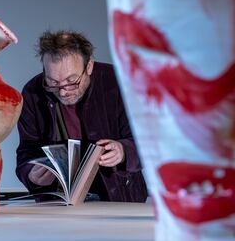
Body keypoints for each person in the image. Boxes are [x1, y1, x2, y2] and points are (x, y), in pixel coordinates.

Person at [16, 30, 148, 202]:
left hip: (119, 198)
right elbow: (26, 151)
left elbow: (150, 142)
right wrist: (31, 175)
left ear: (89, 66)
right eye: (53, 82)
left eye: (71, 81)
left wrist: (124, 151)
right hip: (58, 204)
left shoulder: (119, 83)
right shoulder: (32, 92)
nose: (63, 92)